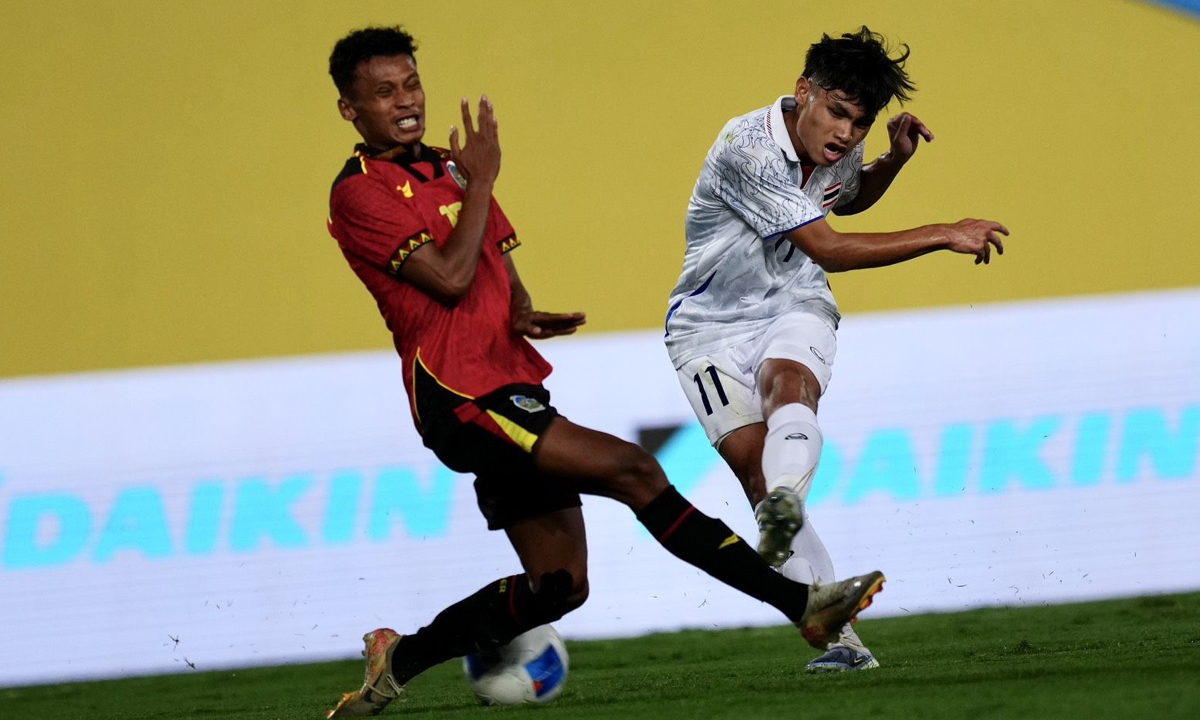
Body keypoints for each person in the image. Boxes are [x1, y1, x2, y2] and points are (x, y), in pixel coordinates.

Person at [322, 26, 885, 717]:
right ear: (350, 109)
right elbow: (448, 276)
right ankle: (804, 606)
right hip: (460, 393)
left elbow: (494, 254)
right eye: (384, 92)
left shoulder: (449, 165)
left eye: (411, 84)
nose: (406, 101)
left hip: (509, 381)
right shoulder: (358, 193)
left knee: (560, 585)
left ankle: (398, 659)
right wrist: (484, 179)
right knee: (634, 471)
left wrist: (520, 308)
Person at [664, 27, 1008, 674]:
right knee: (755, 472)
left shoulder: (835, 143)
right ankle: (841, 636)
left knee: (787, 383)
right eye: (839, 113)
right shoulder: (747, 148)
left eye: (861, 123)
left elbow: (842, 202)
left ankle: (788, 510)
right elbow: (831, 247)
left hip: (795, 300)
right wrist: (944, 231)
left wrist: (892, 162)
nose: (848, 134)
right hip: (706, 330)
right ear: (804, 92)